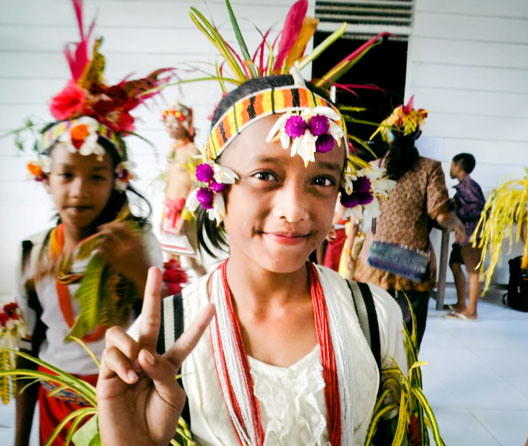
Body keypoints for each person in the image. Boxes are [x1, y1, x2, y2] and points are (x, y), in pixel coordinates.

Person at [94, 3, 409, 444]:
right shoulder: (163, 338)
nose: (294, 210)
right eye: (266, 176)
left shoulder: (375, 317)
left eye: (321, 180)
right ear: (216, 191)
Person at [12, 2, 168, 444]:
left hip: (119, 404)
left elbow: (168, 323)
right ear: (45, 179)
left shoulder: (137, 242)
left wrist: (138, 269)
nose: (79, 191)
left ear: (117, 180)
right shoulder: (33, 252)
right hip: (54, 407)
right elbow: (25, 353)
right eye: (66, 175)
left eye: (96, 176)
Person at [352, 97, 466, 348]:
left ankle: (376, 384)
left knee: (374, 333)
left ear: (388, 135)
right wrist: (458, 224)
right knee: (409, 336)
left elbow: (357, 216)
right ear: (417, 134)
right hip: (411, 266)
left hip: (373, 264)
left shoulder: (373, 168)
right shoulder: (429, 168)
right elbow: (440, 214)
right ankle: (405, 385)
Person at [160, 101, 206, 276]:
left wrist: (186, 216)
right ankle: (176, 294)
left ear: (185, 124)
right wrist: (163, 215)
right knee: (171, 261)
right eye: (168, 123)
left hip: (183, 212)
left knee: (191, 259)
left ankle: (208, 295)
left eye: (175, 122)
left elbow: (197, 185)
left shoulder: (192, 151)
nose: (170, 127)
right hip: (170, 211)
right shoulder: (172, 152)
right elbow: (169, 184)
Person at [447, 153, 485, 320]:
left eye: (452, 165)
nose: (451, 169)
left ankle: (472, 311)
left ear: (459, 167)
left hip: (473, 236)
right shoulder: (464, 185)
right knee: (454, 264)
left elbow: (479, 208)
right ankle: (461, 303)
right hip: (464, 236)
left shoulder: (468, 186)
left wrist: (457, 214)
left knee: (473, 272)